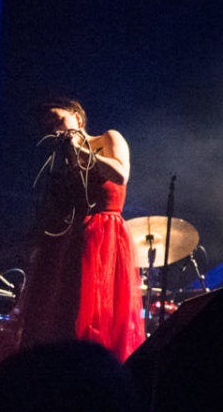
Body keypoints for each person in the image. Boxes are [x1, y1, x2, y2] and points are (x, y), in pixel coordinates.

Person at [16, 98, 144, 361]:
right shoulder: (60, 167)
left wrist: (79, 150)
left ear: (77, 116)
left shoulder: (108, 138)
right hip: (70, 245)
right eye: (48, 126)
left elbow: (120, 174)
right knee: (61, 322)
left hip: (104, 238)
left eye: (58, 119)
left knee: (98, 320)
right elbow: (47, 224)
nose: (54, 128)